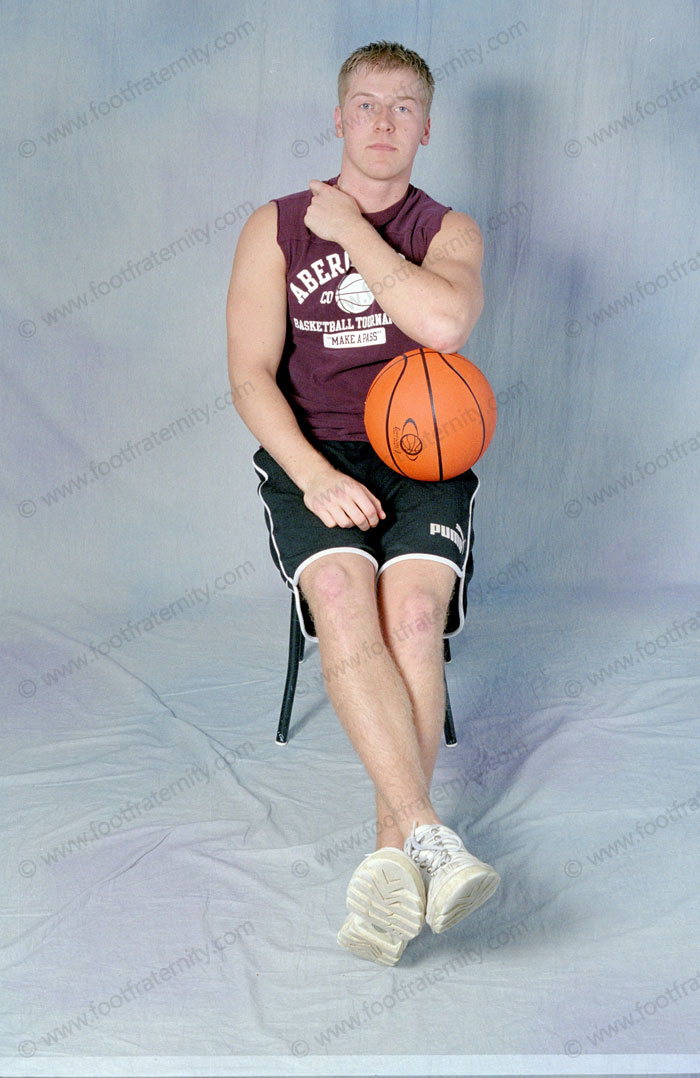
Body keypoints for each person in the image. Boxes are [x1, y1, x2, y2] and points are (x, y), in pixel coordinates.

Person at [226, 40, 500, 966]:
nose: (384, 122)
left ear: (427, 128)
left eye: (403, 108)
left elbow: (444, 323)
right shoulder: (273, 227)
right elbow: (249, 375)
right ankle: (429, 838)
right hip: (316, 454)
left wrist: (352, 230)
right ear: (338, 119)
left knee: (413, 615)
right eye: (367, 105)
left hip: (425, 450)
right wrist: (311, 474)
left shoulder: (449, 230)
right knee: (346, 596)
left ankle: (392, 854)